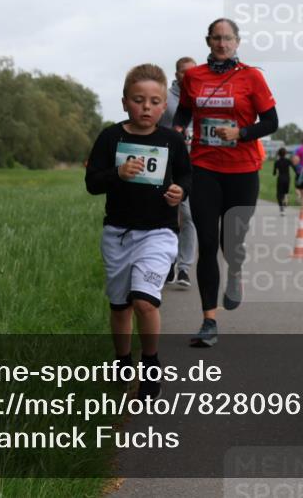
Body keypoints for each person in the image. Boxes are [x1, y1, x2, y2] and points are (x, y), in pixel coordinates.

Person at [85, 63, 192, 399]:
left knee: (145, 302)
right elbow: (91, 183)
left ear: (164, 106)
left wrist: (181, 192)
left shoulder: (172, 140)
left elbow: (187, 177)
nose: (147, 107)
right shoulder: (110, 137)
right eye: (139, 100)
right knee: (120, 307)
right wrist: (119, 173)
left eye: (154, 101)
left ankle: (150, 363)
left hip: (158, 232)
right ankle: (121, 362)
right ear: (124, 102)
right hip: (117, 233)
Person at [173, 18, 279, 347]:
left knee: (230, 242)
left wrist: (241, 133)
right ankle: (209, 320)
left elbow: (272, 122)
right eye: (216, 38)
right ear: (208, 41)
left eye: (227, 38)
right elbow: (184, 113)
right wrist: (177, 132)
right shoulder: (194, 77)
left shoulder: (251, 76)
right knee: (207, 243)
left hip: (243, 169)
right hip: (204, 167)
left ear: (237, 42)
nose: (222, 44)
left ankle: (235, 270)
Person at [159, 56, 198, 289]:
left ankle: (184, 268)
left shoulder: (203, 96)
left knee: (189, 216)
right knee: (168, 215)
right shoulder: (165, 98)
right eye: (184, 72)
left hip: (194, 165)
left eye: (193, 71)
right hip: (168, 163)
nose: (189, 75)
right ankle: (167, 264)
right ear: (177, 75)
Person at [273, 147, 293, 214]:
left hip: (280, 178)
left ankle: (281, 208)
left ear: (278, 154)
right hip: (287, 178)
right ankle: (285, 200)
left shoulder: (277, 162)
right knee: (285, 191)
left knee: (279, 194)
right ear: (285, 153)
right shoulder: (288, 161)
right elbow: (294, 168)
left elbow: (274, 173)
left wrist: (276, 171)